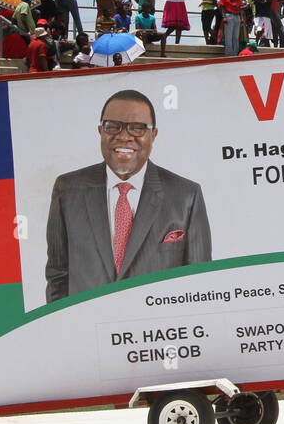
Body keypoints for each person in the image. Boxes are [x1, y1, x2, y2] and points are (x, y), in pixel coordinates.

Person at [45, 89, 212, 303]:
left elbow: (198, 283)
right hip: (87, 330)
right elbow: (58, 275)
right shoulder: (67, 189)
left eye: (138, 128)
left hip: (157, 332)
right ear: (100, 131)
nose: (124, 136)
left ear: (154, 135)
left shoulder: (186, 195)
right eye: (113, 126)